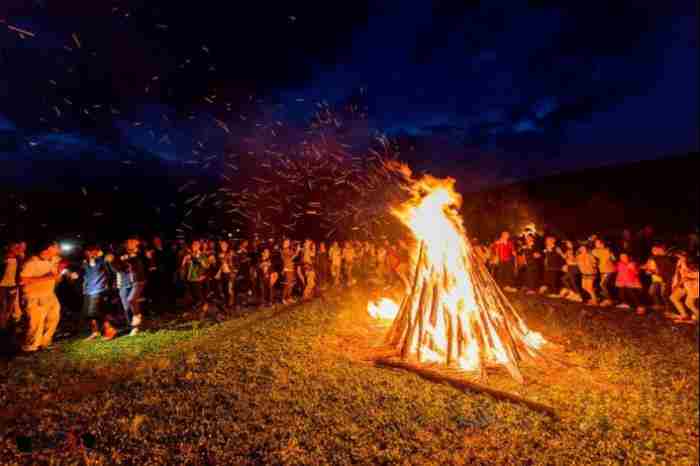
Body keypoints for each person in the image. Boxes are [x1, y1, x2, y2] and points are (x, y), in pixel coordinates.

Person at [18, 240, 61, 353]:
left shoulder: (54, 260)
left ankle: (44, 343)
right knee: (36, 323)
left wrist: (58, 273)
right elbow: (22, 280)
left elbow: (55, 276)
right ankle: (30, 347)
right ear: (48, 249)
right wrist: (48, 277)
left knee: (53, 319)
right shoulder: (31, 262)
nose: (59, 250)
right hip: (34, 296)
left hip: (49, 295)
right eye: (56, 247)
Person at [81, 244, 117, 341]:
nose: (90, 253)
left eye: (93, 251)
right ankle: (95, 332)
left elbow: (112, 272)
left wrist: (112, 285)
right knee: (88, 313)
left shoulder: (103, 261)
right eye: (88, 251)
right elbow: (84, 275)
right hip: (88, 291)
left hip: (99, 289)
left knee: (95, 312)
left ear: (97, 251)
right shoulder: (85, 263)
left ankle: (110, 330)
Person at [180, 239, 211, 317]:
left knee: (198, 295)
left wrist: (196, 259)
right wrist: (184, 262)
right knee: (191, 296)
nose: (194, 246)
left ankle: (204, 307)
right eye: (193, 245)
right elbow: (183, 266)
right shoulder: (188, 256)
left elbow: (206, 266)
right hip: (189, 278)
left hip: (197, 278)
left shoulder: (202, 255)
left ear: (199, 246)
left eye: (196, 245)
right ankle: (194, 310)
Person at [642, 244, 676, 312]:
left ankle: (669, 308)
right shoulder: (652, 258)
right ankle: (658, 305)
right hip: (656, 279)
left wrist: (653, 271)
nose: (653, 251)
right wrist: (646, 269)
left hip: (664, 279)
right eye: (653, 250)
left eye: (655, 249)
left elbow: (664, 270)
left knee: (664, 294)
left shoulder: (666, 258)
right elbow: (647, 266)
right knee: (652, 292)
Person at [670, 253, 699, 323]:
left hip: (693, 287)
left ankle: (696, 318)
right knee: (674, 297)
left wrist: (676, 286)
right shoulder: (682, 262)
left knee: (689, 303)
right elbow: (680, 274)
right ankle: (684, 315)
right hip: (686, 285)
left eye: (681, 257)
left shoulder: (692, 267)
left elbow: (685, 278)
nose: (679, 258)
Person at [1, 242, 23, 331]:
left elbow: (19, 272)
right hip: (2, 286)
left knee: (9, 307)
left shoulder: (18, 259)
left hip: (12, 286)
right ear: (10, 248)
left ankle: (5, 324)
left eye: (18, 248)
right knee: (3, 306)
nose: (18, 249)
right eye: (16, 247)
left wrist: (17, 283)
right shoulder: (3, 258)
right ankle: (2, 326)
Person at [214, 240, 237, 309]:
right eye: (222, 245)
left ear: (227, 246)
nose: (223, 246)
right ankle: (226, 303)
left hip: (230, 273)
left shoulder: (231, 253)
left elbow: (235, 262)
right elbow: (218, 264)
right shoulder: (219, 254)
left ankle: (231, 304)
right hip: (223, 274)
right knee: (224, 289)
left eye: (224, 245)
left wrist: (234, 271)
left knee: (230, 289)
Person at [592, 239, 616, 306]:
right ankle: (609, 299)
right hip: (602, 270)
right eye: (596, 243)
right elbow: (594, 257)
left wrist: (610, 253)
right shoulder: (595, 251)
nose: (596, 244)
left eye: (598, 243)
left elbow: (614, 259)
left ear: (602, 243)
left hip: (609, 270)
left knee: (603, 284)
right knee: (606, 285)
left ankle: (609, 300)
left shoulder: (607, 250)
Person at [281, 239, 299, 304]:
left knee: (291, 285)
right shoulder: (284, 250)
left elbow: (292, 257)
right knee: (287, 285)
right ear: (284, 243)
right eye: (287, 242)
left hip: (291, 268)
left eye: (288, 242)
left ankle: (289, 297)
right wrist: (297, 250)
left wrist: (296, 250)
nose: (288, 243)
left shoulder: (288, 249)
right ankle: (283, 299)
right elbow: (292, 255)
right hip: (287, 269)